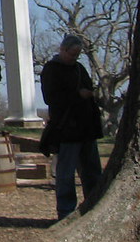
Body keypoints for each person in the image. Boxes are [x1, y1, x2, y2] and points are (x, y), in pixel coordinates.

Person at [40, 34, 103, 219]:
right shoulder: (52, 70)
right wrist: (78, 95)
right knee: (66, 173)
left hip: (86, 127)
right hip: (67, 128)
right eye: (72, 53)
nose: (74, 58)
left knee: (92, 171)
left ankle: (93, 205)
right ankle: (65, 211)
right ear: (63, 50)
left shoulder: (79, 69)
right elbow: (51, 98)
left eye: (77, 54)